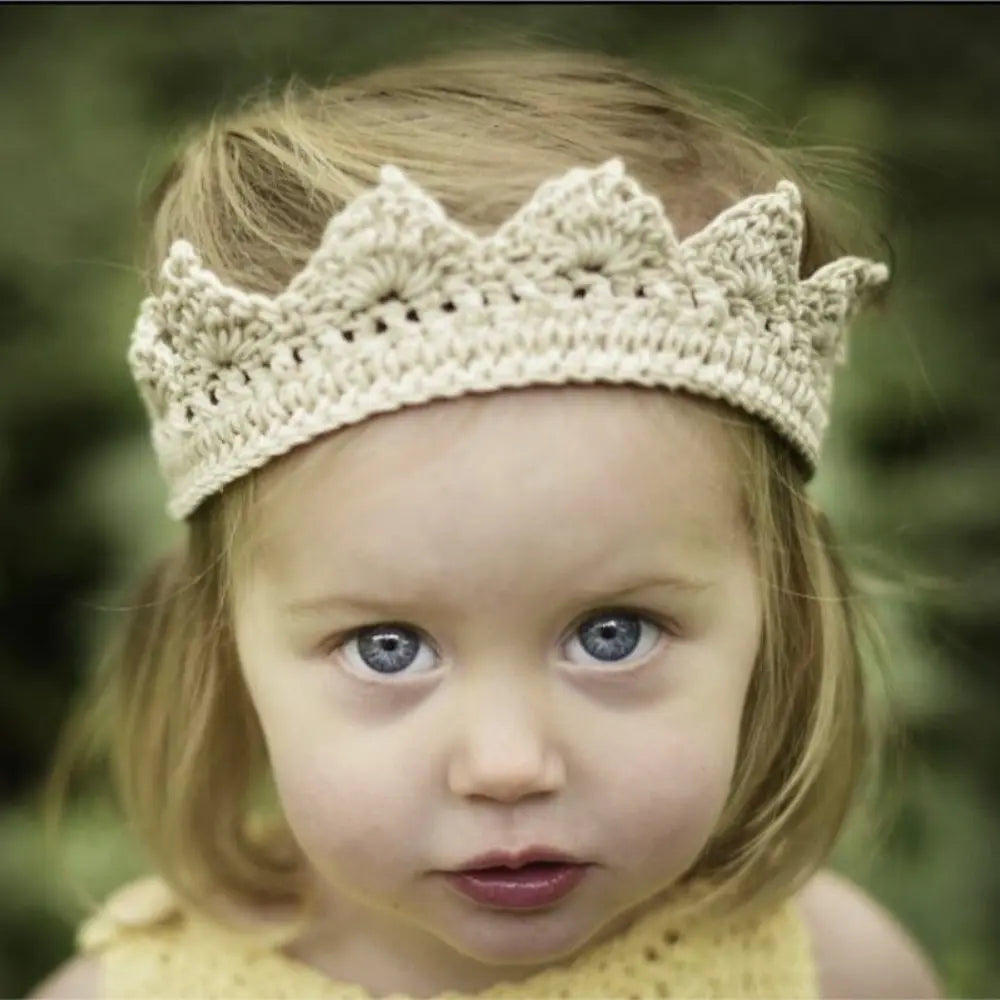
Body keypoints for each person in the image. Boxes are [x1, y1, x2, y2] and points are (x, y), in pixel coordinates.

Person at [29, 45, 942, 999]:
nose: (508, 765)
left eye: (612, 633)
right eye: (387, 647)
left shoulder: (839, 974)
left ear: (779, 624)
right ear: (224, 652)